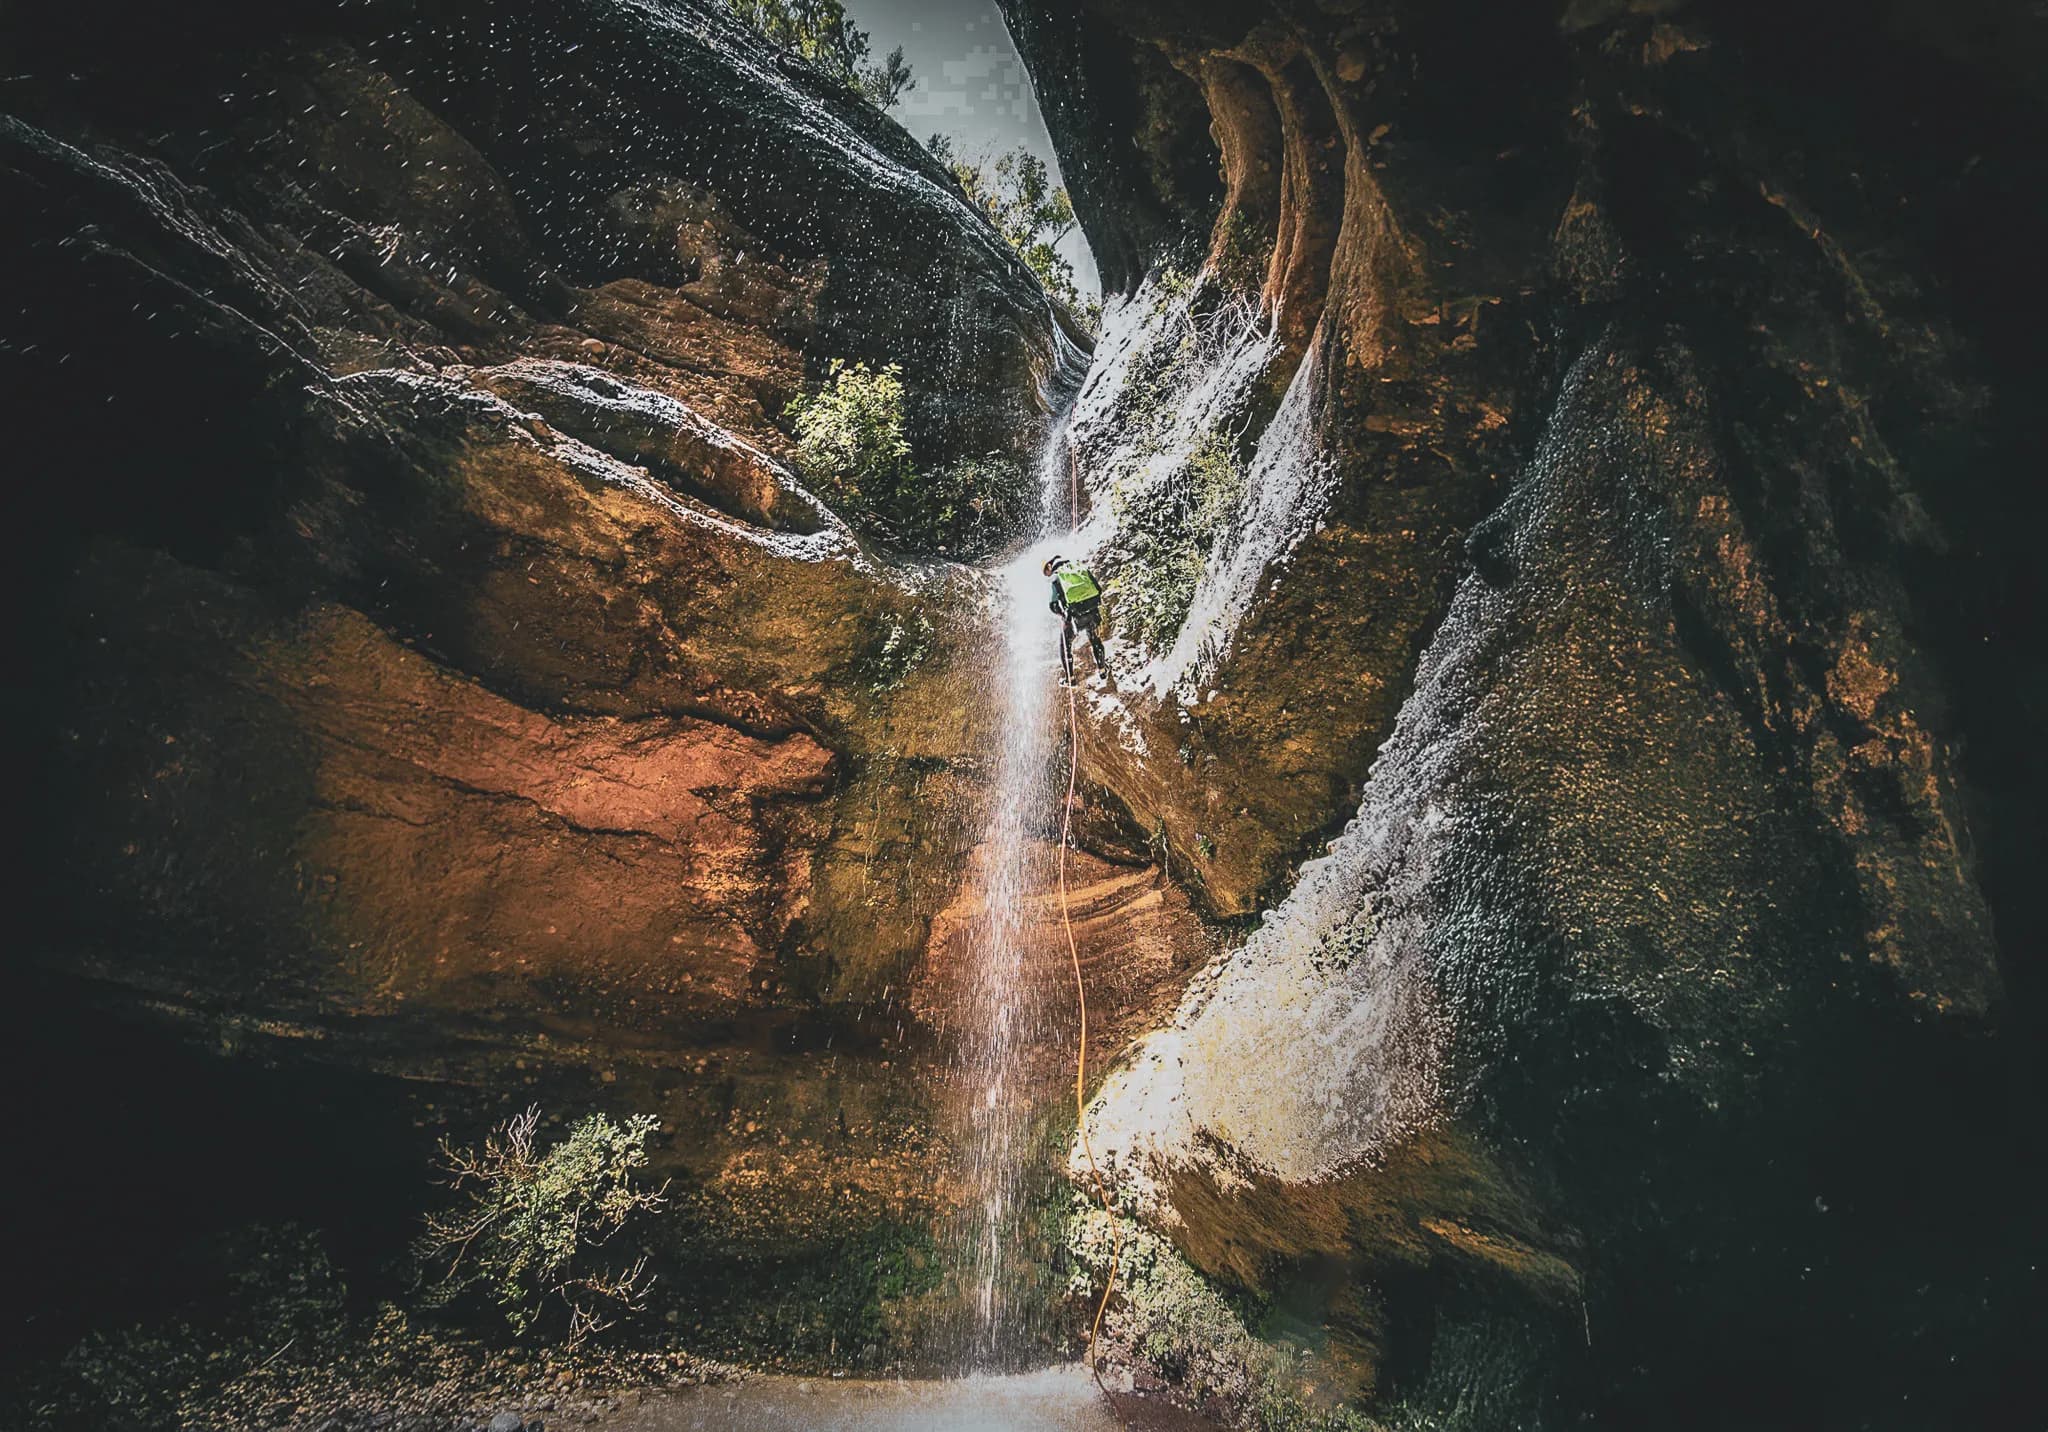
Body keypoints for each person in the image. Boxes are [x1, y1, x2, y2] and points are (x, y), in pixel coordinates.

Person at [1044, 554, 1108, 685]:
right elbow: (1098, 589)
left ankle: (1070, 678)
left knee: (1065, 645)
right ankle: (1102, 670)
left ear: (1052, 566)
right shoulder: (1079, 568)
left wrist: (1064, 615)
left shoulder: (1057, 577)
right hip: (1092, 612)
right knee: (1094, 638)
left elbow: (1053, 605)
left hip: (1075, 616)